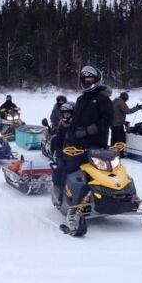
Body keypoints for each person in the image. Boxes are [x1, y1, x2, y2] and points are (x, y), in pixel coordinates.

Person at [54, 66, 113, 205]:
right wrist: (67, 130)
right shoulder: (81, 99)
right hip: (77, 144)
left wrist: (88, 131)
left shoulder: (103, 100)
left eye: (90, 78)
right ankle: (63, 197)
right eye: (85, 78)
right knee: (66, 167)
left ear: (97, 79)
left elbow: (107, 120)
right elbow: (76, 120)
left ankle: (124, 197)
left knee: (111, 171)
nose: (88, 81)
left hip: (96, 145)